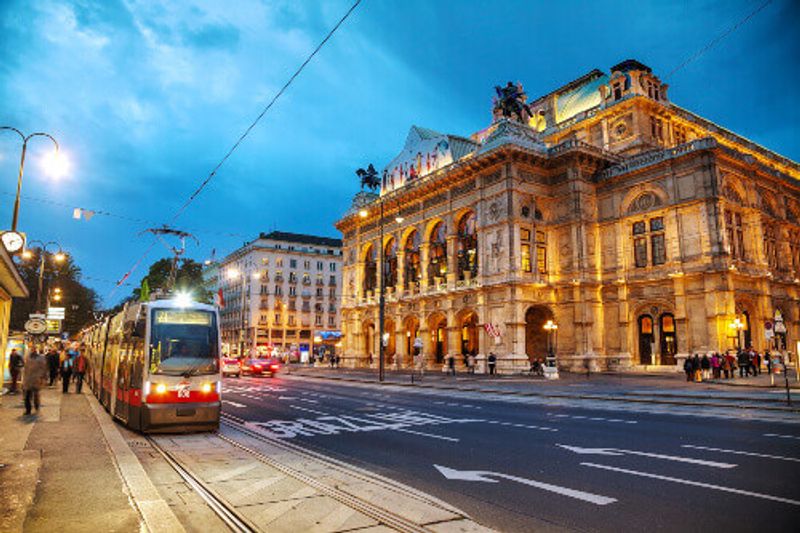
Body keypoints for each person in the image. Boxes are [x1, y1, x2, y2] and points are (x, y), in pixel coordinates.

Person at [22, 347, 47, 415]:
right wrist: (24, 380)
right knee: (27, 396)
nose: (33, 351)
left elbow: (44, 369)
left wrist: (43, 378)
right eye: (32, 350)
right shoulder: (27, 358)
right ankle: (28, 410)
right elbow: (25, 370)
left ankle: (36, 407)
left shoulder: (41, 358)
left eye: (34, 350)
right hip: (28, 380)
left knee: (36, 395)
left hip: (36, 379)